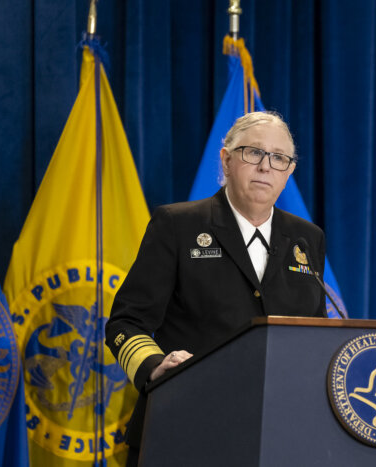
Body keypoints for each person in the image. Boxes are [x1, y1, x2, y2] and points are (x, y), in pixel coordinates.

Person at [105, 111, 326, 465]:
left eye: (279, 158)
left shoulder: (307, 238)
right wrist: (155, 365)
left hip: (278, 435)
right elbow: (126, 323)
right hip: (184, 428)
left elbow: (314, 337)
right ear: (226, 159)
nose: (266, 166)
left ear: (289, 171)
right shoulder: (177, 225)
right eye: (253, 153)